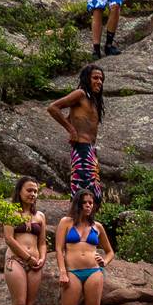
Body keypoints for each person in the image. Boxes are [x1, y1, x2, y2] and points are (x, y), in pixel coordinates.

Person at [54, 188, 114, 305]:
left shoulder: (98, 227)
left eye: (91, 203)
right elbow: (58, 249)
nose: (88, 205)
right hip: (72, 272)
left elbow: (110, 252)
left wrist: (105, 261)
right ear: (78, 203)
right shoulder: (66, 222)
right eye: (85, 202)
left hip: (94, 271)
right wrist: (62, 272)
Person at [47, 65, 106, 203]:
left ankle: (89, 223)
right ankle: (76, 222)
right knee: (84, 192)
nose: (99, 81)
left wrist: (71, 124)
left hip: (90, 150)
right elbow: (53, 108)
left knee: (94, 194)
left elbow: (72, 117)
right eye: (95, 78)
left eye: (101, 79)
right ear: (87, 78)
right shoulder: (80, 94)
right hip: (81, 148)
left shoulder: (94, 100)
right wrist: (71, 130)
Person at [2, 177, 47, 305]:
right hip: (16, 260)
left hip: (36, 263)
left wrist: (42, 258)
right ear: (19, 191)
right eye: (29, 190)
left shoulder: (40, 216)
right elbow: (9, 239)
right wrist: (28, 258)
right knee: (19, 304)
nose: (32, 194)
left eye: (35, 191)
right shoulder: (10, 212)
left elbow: (42, 242)